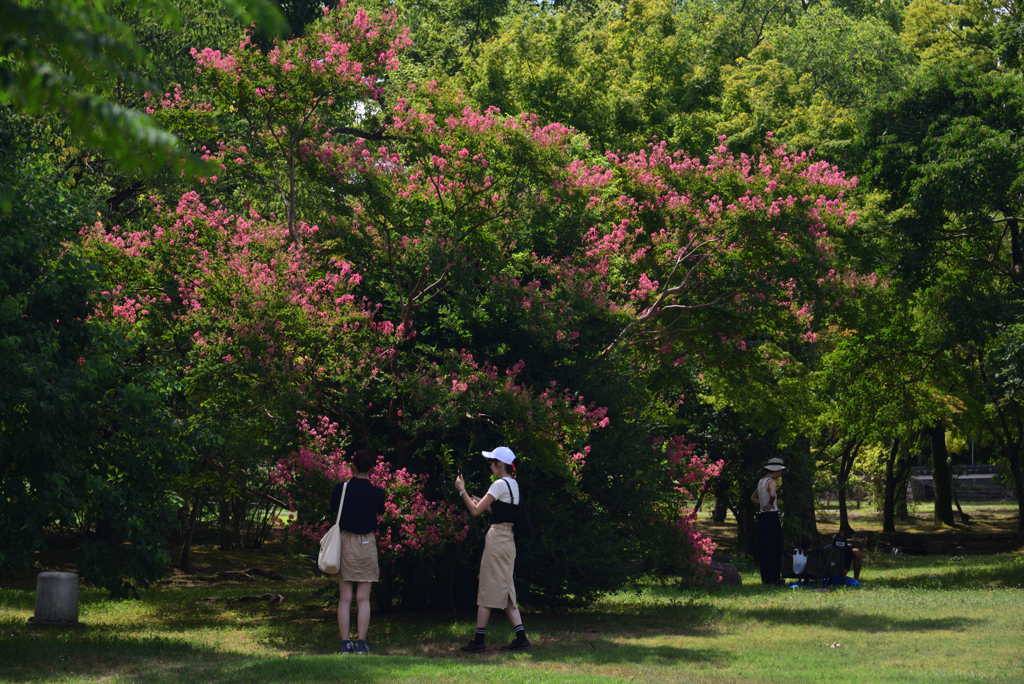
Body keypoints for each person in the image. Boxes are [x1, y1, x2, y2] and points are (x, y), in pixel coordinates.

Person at [454, 446, 530, 653]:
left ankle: (479, 640)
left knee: (487, 586)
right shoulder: (513, 484)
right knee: (506, 587)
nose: (490, 465)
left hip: (497, 539)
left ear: (501, 464)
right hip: (508, 540)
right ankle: (521, 637)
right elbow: (499, 511)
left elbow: (474, 512)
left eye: (492, 462)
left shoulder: (498, 484)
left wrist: (462, 490)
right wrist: (484, 503)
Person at [329, 449, 386, 655]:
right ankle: (361, 643)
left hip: (345, 542)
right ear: (372, 468)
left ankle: (345, 644)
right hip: (366, 543)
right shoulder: (377, 493)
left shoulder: (341, 489)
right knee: (363, 598)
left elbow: (335, 510)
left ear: (352, 466)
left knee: (345, 598)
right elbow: (379, 512)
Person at [750, 457, 786, 586]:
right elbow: (772, 494)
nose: (780, 474)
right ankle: (775, 578)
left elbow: (753, 497)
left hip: (763, 518)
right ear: (776, 471)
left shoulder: (761, 481)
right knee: (775, 547)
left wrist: (763, 504)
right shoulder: (772, 482)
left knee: (764, 548)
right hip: (772, 516)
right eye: (780, 471)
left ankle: (766, 578)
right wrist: (770, 504)